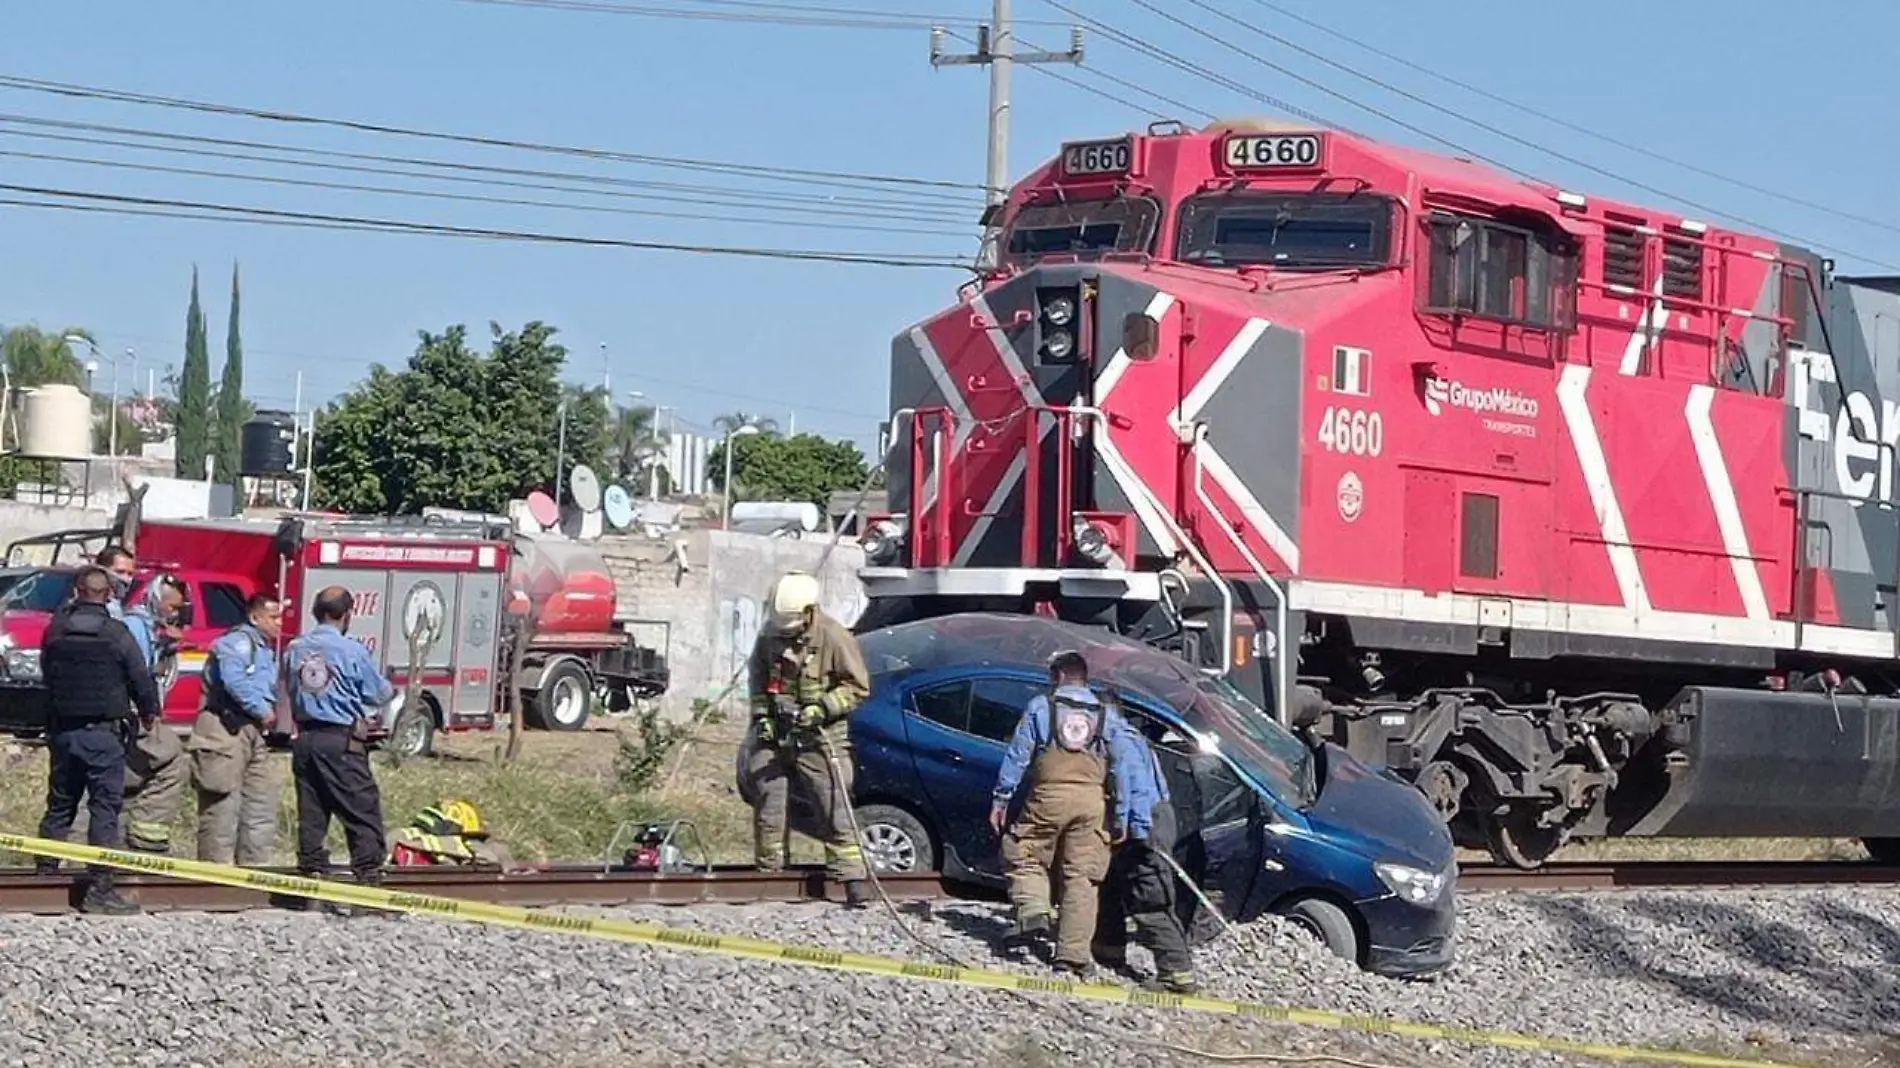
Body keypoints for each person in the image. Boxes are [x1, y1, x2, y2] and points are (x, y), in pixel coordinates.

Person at [989, 650, 1143, 978]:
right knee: (1082, 877)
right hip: (1091, 802)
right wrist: (1122, 816)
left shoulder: (1042, 707)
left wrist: (1002, 798)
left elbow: (1018, 755)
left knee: (1023, 853)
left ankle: (1032, 910)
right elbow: (1123, 767)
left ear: (1058, 677)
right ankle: (1071, 955)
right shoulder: (1106, 713)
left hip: (1048, 795)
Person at [34, 566, 161, 915]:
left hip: (63, 732)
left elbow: (47, 671)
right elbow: (140, 677)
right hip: (103, 735)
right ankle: (100, 889)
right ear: (108, 595)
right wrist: (149, 711)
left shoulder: (55, 629)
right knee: (104, 809)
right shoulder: (116, 633)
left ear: (77, 591)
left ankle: (43, 880)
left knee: (60, 805)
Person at [743, 570, 870, 907]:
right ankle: (770, 875)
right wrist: (763, 718)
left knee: (834, 806)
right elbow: (757, 680)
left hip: (820, 737)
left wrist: (821, 708)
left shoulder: (833, 637)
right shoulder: (770, 634)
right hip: (777, 735)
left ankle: (853, 881)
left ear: (809, 612)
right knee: (769, 799)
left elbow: (858, 688)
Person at [282, 586, 396, 915]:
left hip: (305, 740)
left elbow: (290, 688)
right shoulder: (352, 651)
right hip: (341, 740)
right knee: (361, 811)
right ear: (347, 615)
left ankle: (312, 882)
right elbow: (377, 693)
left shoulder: (295, 649)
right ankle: (369, 888)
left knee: (313, 815)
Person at [1092, 721, 1199, 994]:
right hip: (1154, 818)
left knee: (1148, 900)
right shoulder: (1134, 737)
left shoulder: (1120, 743)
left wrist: (1137, 831)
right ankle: (1108, 948)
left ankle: (1176, 974)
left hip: (1144, 825)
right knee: (1112, 884)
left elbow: (1131, 790)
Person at [190, 592, 285, 866]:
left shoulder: (265, 648)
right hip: (224, 729)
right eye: (273, 617)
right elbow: (235, 682)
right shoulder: (237, 643)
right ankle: (215, 876)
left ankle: (254, 869)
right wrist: (262, 710)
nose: (279, 622)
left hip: (254, 733)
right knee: (222, 807)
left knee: (260, 803)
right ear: (255, 617)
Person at [117, 572, 190, 855]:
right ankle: (148, 839)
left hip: (136, 714)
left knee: (129, 779)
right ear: (157, 600)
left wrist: (165, 645)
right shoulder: (135, 626)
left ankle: (123, 838)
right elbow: (137, 673)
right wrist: (147, 710)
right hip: (136, 714)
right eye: (171, 607)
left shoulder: (147, 627)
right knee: (171, 757)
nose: (173, 613)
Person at [97, 547, 137, 621]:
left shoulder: (133, 607)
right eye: (120, 572)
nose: (126, 578)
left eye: (130, 574)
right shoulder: (94, 606)